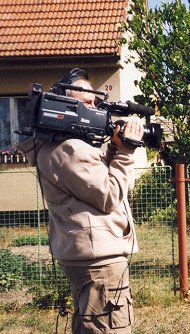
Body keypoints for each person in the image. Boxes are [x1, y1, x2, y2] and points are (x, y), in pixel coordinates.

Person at [17, 68, 143, 334]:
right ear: (62, 105)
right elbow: (108, 195)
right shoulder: (71, 149)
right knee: (110, 327)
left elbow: (94, 179)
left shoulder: (58, 146)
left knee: (90, 325)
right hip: (100, 262)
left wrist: (112, 148)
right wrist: (125, 152)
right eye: (86, 103)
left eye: (95, 103)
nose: (94, 108)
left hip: (88, 255)